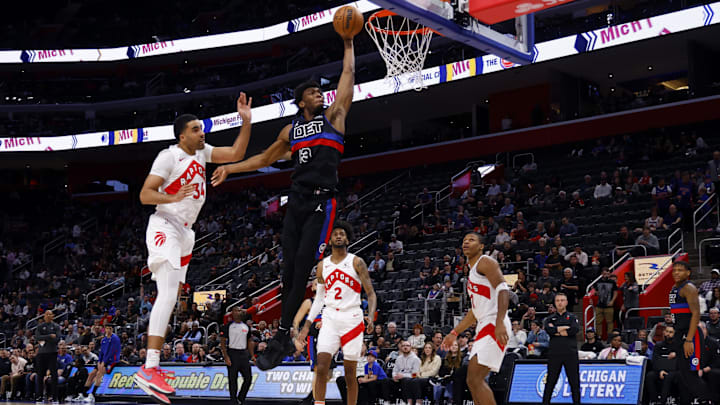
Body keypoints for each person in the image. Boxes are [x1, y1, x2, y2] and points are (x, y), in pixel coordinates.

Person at [212, 29, 357, 372]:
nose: (319, 93)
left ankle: (280, 337)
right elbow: (263, 159)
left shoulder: (334, 116)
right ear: (301, 101)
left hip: (323, 203)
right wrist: (230, 169)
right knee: (288, 274)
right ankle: (284, 332)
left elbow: (348, 76)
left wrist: (349, 44)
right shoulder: (291, 131)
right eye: (311, 92)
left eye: (320, 90)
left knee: (304, 265)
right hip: (296, 201)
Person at [134, 94, 254, 404]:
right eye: (197, 129)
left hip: (186, 233)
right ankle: (149, 368)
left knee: (173, 296)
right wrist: (173, 198)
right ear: (182, 135)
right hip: (165, 225)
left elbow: (238, 151)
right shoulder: (168, 156)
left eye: (202, 128)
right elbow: (145, 195)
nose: (203, 133)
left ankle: (153, 367)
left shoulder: (203, 153)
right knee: (169, 294)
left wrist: (246, 120)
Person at [295, 221, 377, 405]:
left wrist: (370, 316)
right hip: (330, 318)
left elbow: (371, 293)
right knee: (321, 367)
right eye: (335, 234)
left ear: (347, 239)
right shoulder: (322, 266)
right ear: (330, 240)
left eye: (342, 234)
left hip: (352, 318)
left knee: (350, 374)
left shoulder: (357, 262)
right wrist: (306, 325)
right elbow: (319, 299)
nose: (339, 236)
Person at [441, 232, 510, 405]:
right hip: (484, 324)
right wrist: (454, 332)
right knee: (472, 380)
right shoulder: (472, 273)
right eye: (464, 240)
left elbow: (503, 289)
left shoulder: (485, 262)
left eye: (471, 240)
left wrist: (500, 321)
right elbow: (474, 312)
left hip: (494, 322)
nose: (466, 242)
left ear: (481, 246)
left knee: (475, 378)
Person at [667, 261, 713, 403]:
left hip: (690, 335)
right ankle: (697, 399)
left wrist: (689, 339)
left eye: (680, 270)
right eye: (674, 270)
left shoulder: (689, 288)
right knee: (685, 374)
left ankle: (709, 400)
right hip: (680, 333)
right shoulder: (674, 288)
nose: (676, 272)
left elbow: (696, 314)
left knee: (692, 373)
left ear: (688, 273)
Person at [542, 293, 580, 404]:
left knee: (574, 383)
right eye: (557, 300)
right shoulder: (549, 318)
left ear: (567, 302)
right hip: (555, 353)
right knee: (550, 382)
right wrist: (564, 329)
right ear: (555, 303)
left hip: (570, 353)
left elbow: (574, 330)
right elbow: (549, 330)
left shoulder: (572, 317)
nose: (560, 302)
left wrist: (557, 330)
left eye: (562, 300)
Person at [220, 306, 254, 405]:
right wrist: (226, 357)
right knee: (232, 379)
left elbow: (249, 341)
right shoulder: (228, 326)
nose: (238, 312)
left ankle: (241, 398)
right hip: (232, 353)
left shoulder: (246, 326)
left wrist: (252, 355)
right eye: (236, 310)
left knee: (248, 378)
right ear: (232, 313)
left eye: (240, 310)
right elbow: (222, 342)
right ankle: (233, 401)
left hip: (243, 353)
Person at [80, 325, 121, 403]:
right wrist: (99, 361)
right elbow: (102, 352)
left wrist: (104, 362)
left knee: (99, 374)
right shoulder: (104, 339)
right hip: (103, 360)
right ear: (104, 329)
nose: (108, 330)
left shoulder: (115, 339)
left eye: (110, 329)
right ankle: (84, 394)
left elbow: (111, 352)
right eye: (107, 328)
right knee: (91, 374)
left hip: (112, 360)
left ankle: (93, 395)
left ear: (112, 329)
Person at [645, 324, 678, 405]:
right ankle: (654, 400)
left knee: (669, 377)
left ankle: (663, 401)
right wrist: (660, 370)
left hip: (674, 370)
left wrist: (676, 354)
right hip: (660, 369)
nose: (668, 334)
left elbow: (680, 361)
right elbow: (655, 360)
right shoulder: (658, 345)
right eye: (666, 331)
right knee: (649, 376)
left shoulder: (679, 345)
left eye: (670, 332)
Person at [35, 310, 61, 404]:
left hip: (52, 353)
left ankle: (55, 397)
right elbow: (37, 337)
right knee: (40, 376)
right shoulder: (40, 326)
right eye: (47, 314)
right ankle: (39, 396)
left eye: (50, 314)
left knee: (54, 376)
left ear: (53, 316)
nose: (49, 315)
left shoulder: (56, 326)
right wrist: (50, 336)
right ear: (44, 316)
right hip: (41, 354)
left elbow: (57, 339)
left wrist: (44, 337)